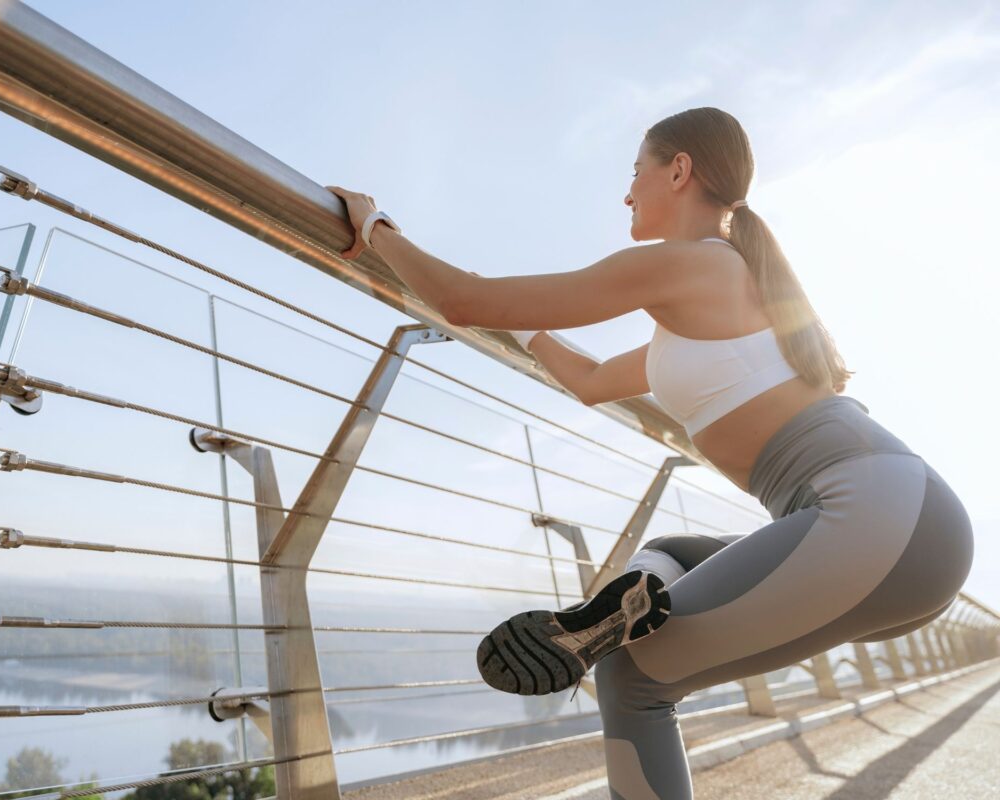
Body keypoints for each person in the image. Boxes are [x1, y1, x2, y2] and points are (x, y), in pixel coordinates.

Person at [327, 106, 974, 800]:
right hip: (906, 526)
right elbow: (591, 381)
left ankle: (608, 625)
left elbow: (462, 300)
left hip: (871, 519)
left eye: (635, 173)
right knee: (669, 551)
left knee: (633, 680)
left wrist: (374, 227)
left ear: (679, 170)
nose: (627, 193)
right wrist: (513, 323)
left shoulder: (692, 265)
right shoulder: (719, 297)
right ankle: (616, 607)